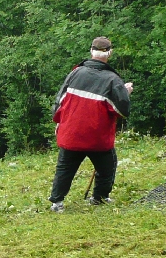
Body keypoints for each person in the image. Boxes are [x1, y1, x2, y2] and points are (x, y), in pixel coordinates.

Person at [48, 36, 133, 212]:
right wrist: (125, 92)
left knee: (64, 168)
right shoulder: (113, 80)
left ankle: (57, 203)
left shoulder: (75, 73)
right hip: (97, 137)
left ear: (90, 51)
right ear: (110, 53)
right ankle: (99, 198)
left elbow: (59, 101)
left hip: (71, 133)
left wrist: (59, 122)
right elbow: (122, 110)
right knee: (107, 166)